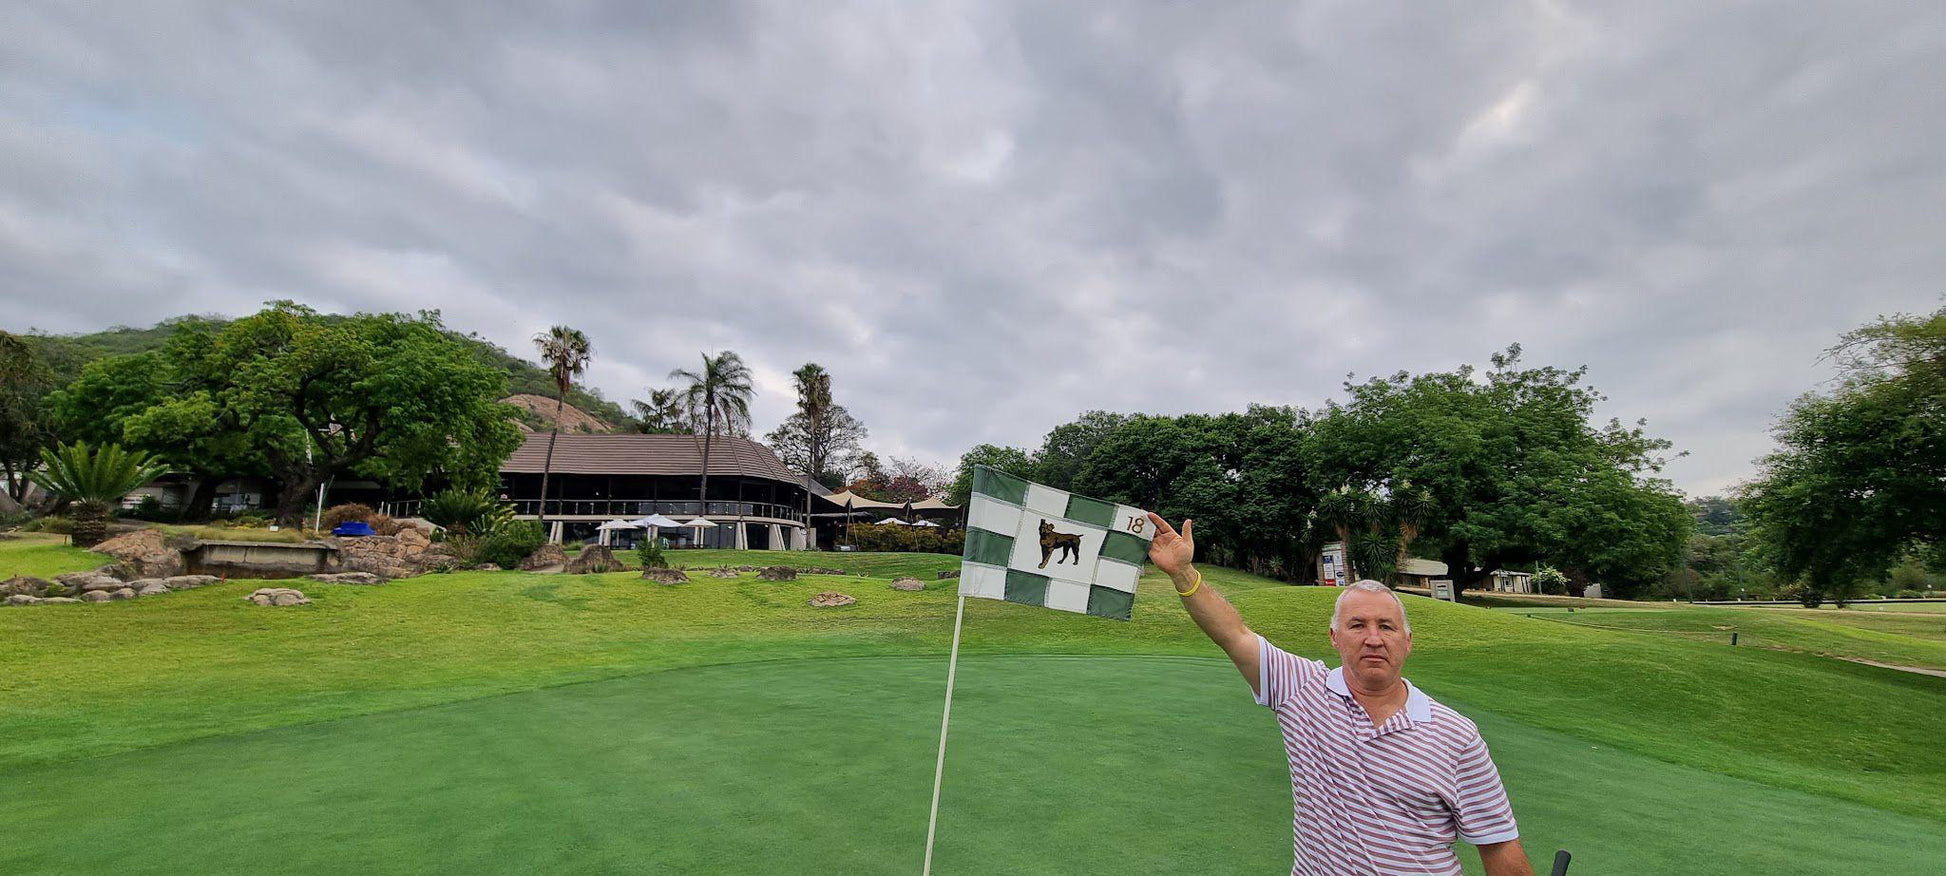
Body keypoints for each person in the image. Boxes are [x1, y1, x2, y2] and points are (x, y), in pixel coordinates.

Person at [1147, 513, 1534, 876]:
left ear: (1408, 642)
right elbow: (1234, 634)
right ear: (1334, 637)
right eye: (1357, 625)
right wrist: (1184, 573)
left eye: (1387, 626)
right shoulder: (1301, 689)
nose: (1373, 639)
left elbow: (1498, 845)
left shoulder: (1457, 735)